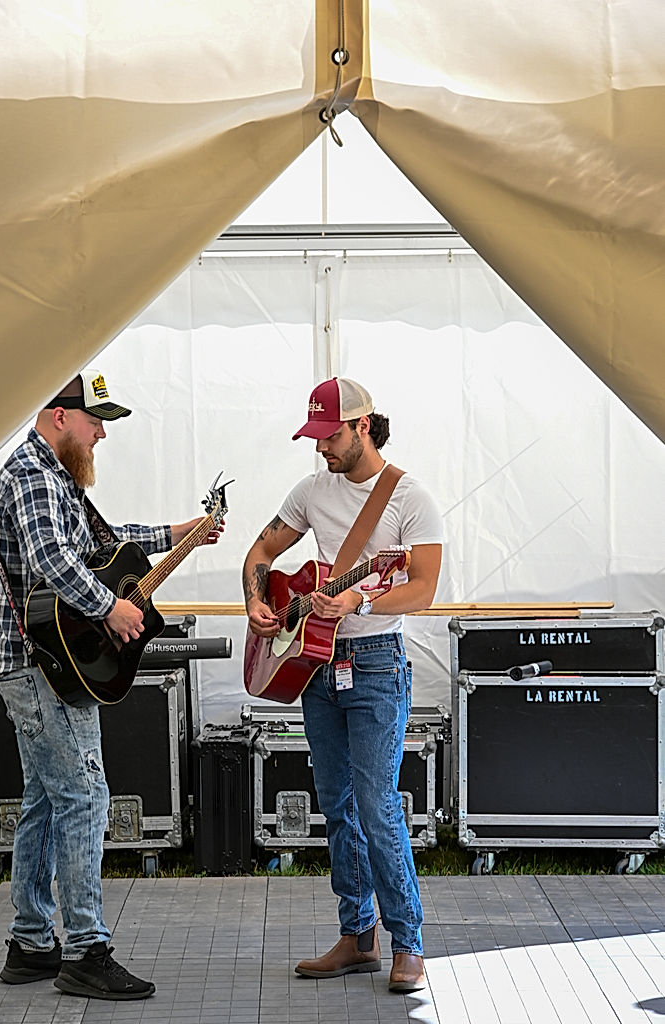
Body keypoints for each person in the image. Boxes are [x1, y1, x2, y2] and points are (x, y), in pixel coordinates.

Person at [0, 368, 221, 1001]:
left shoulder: (55, 476)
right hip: (41, 666)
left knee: (44, 797)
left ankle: (32, 941)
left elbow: (107, 545)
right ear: (60, 416)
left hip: (35, 664)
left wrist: (182, 533)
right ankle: (85, 949)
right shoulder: (32, 474)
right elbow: (51, 561)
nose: (100, 437)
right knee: (86, 794)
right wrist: (109, 608)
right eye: (95, 423)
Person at [242, 376, 443, 993]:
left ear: (363, 426)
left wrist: (358, 597)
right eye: (315, 436)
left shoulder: (411, 498)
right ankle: (357, 937)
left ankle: (407, 942)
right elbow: (258, 553)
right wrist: (256, 601)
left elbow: (422, 590)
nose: (321, 448)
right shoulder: (310, 490)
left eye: (330, 436)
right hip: (316, 665)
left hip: (378, 662)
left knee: (378, 805)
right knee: (335, 804)